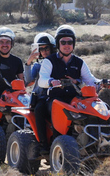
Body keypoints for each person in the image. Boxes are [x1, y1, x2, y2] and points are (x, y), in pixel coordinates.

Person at [35, 25, 103, 154]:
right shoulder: (49, 61)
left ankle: (94, 142)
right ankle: (46, 145)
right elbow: (41, 80)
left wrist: (102, 82)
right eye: (63, 42)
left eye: (70, 42)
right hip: (55, 98)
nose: (67, 45)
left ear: (74, 44)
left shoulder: (79, 62)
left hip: (75, 99)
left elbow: (90, 79)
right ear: (58, 44)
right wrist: (51, 82)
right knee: (47, 109)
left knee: (95, 111)